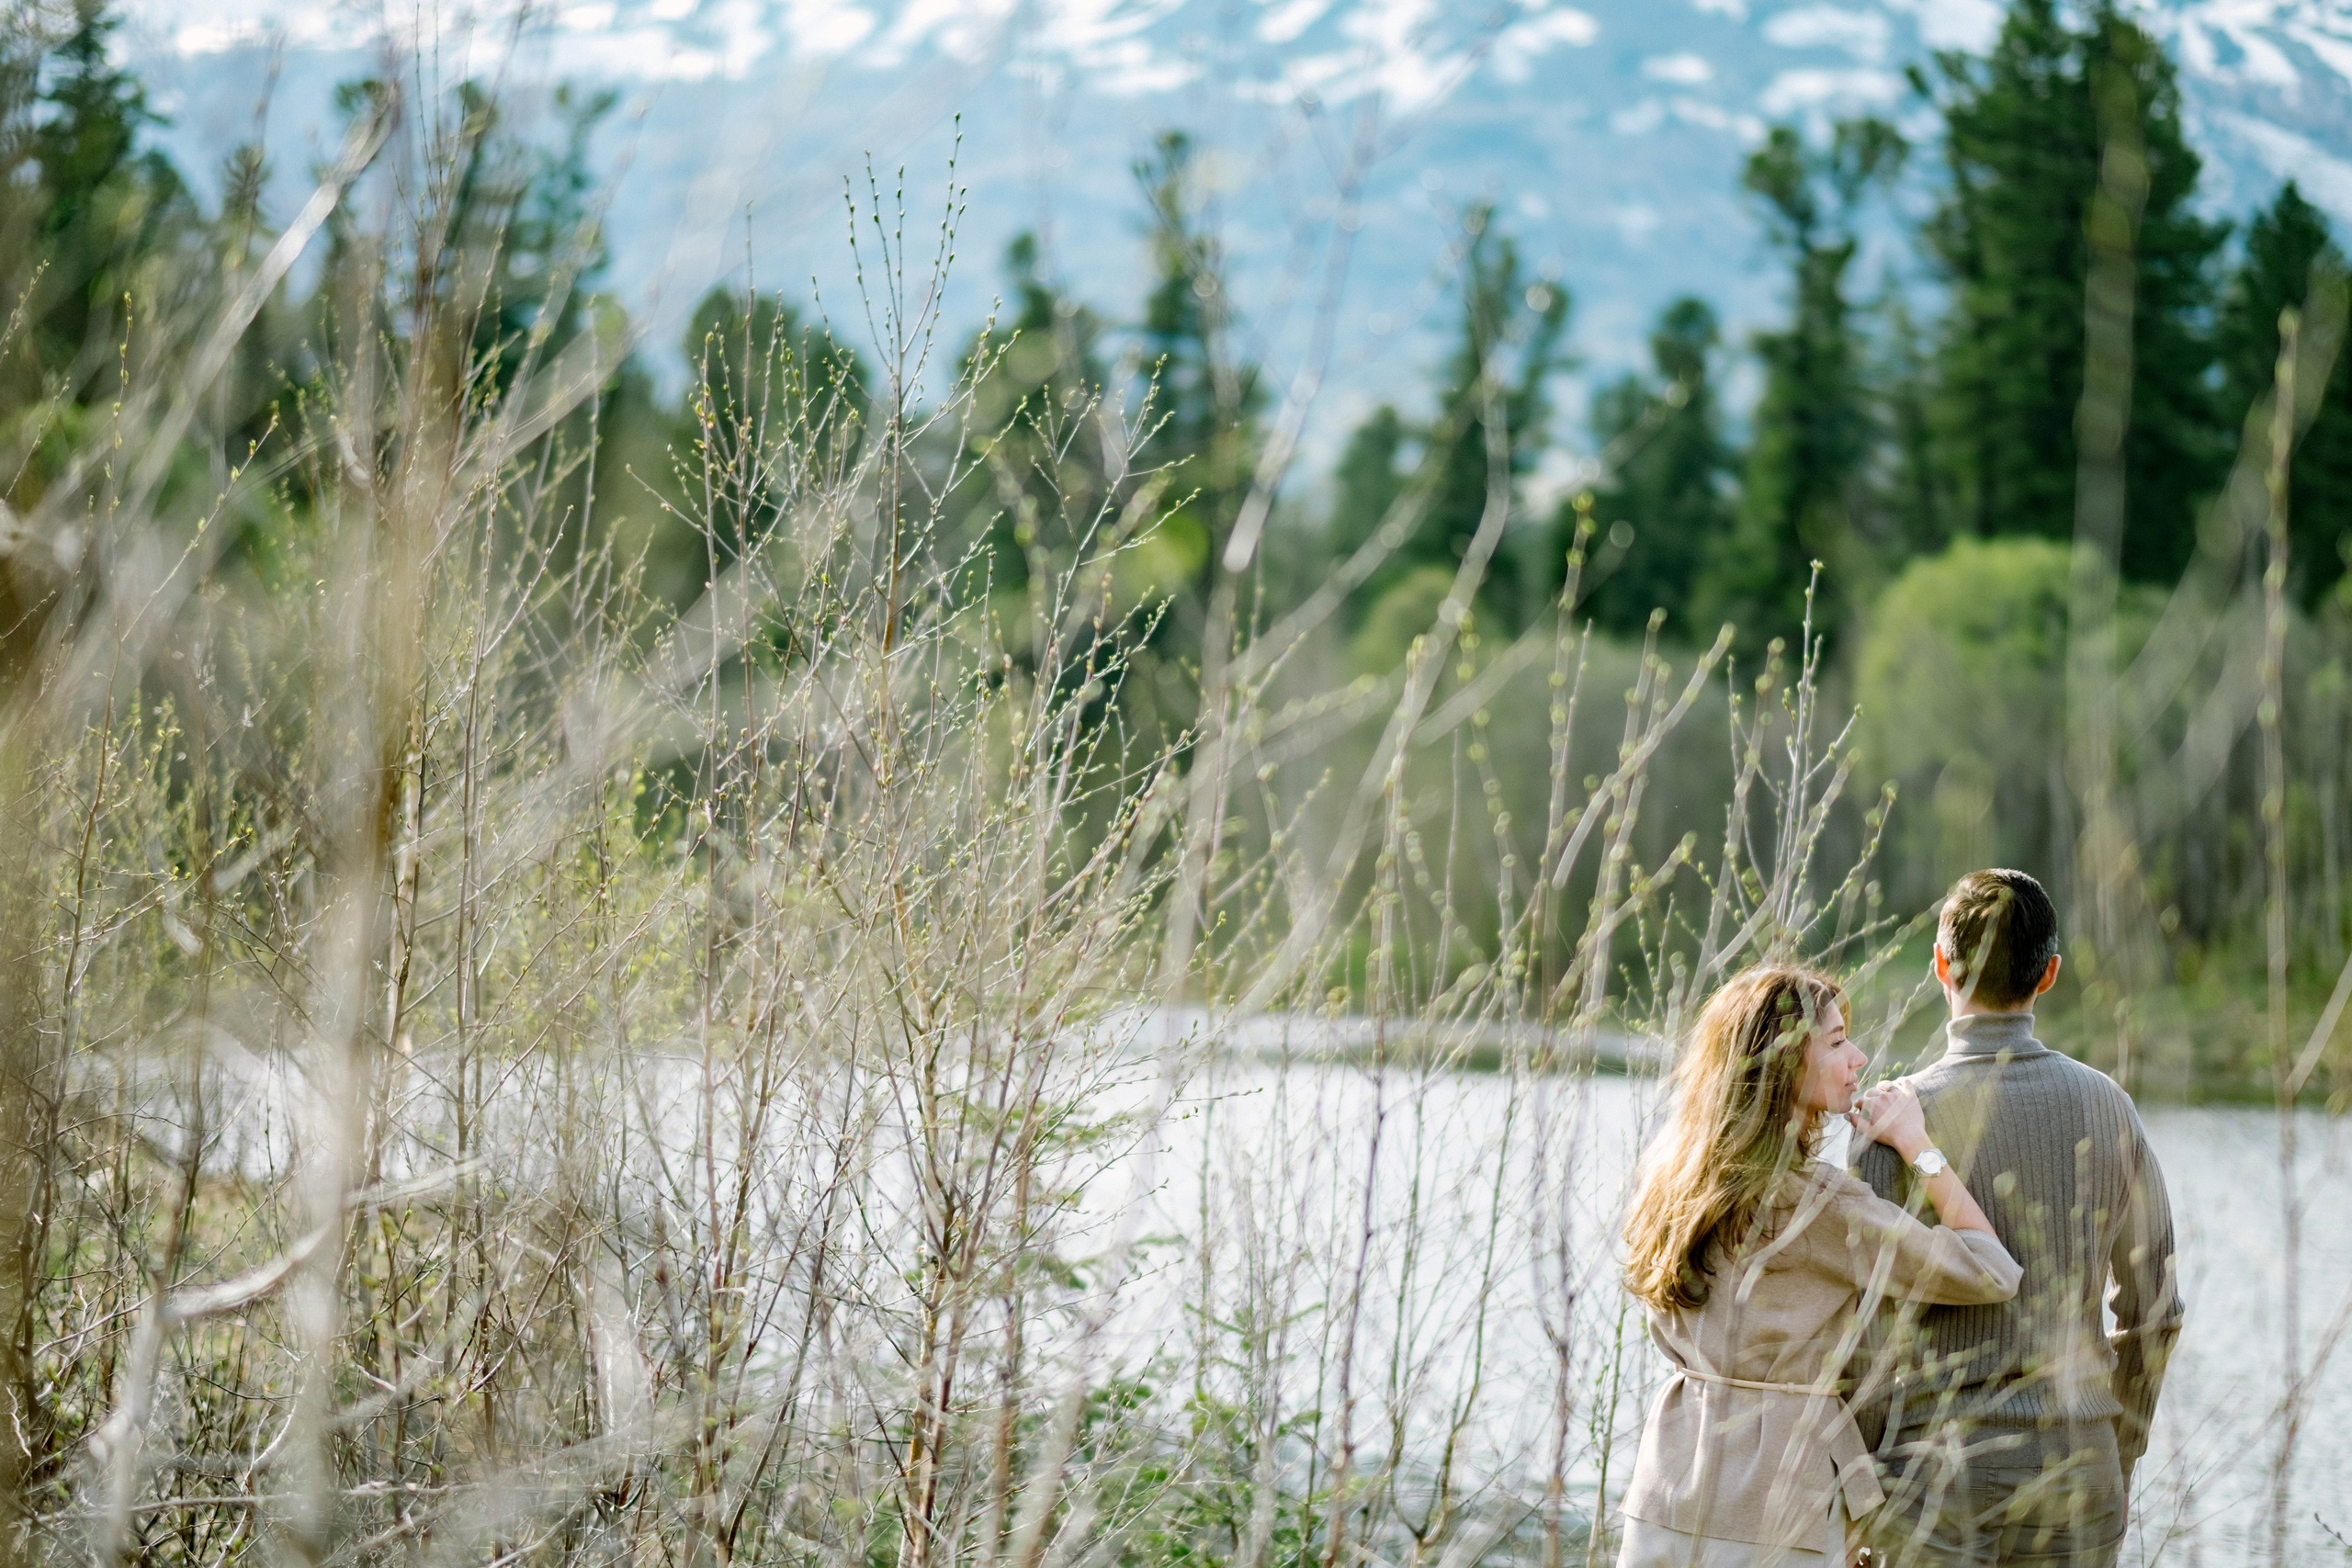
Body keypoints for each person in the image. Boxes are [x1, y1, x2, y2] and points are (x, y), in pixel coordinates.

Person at [1618, 965, 2021, 1567]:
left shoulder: (1670, 1179)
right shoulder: (1816, 1204)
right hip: (1775, 1505)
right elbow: (1992, 1271)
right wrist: (1918, 1146)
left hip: (1665, 1486)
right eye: (1836, 1042)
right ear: (1785, 1064)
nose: (1858, 1057)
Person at [1850, 870, 2182, 1568]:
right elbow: (2154, 1310)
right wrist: (2119, 1450)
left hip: (1930, 1477)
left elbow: (1863, 1331)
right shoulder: (2110, 1108)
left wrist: (1869, 1478)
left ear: (1940, 965)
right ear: (2050, 973)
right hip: (2078, 1470)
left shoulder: (1891, 1120)